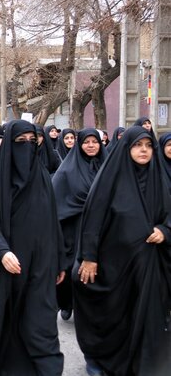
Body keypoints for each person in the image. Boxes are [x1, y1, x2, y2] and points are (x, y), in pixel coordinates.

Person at [0, 120, 66, 376]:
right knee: (3, 323)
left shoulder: (42, 177)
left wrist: (59, 259)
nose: (27, 148)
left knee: (41, 323)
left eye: (32, 142)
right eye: (20, 142)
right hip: (6, 266)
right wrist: (2, 251)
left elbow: (53, 221)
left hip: (41, 265)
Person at [72, 126, 171, 376]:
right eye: (138, 145)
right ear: (127, 149)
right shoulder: (110, 178)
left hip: (149, 266)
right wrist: (90, 257)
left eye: (148, 146)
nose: (144, 151)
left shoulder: (160, 178)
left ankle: (144, 364)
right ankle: (100, 359)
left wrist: (165, 230)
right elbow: (93, 220)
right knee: (112, 315)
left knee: (147, 316)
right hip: (113, 264)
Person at [51, 129, 106, 322]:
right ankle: (67, 303)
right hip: (72, 229)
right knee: (70, 272)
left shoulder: (108, 168)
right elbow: (54, 200)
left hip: (99, 229)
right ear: (79, 144)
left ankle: (88, 307)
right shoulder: (67, 169)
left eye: (95, 142)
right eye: (86, 142)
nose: (91, 145)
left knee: (95, 271)